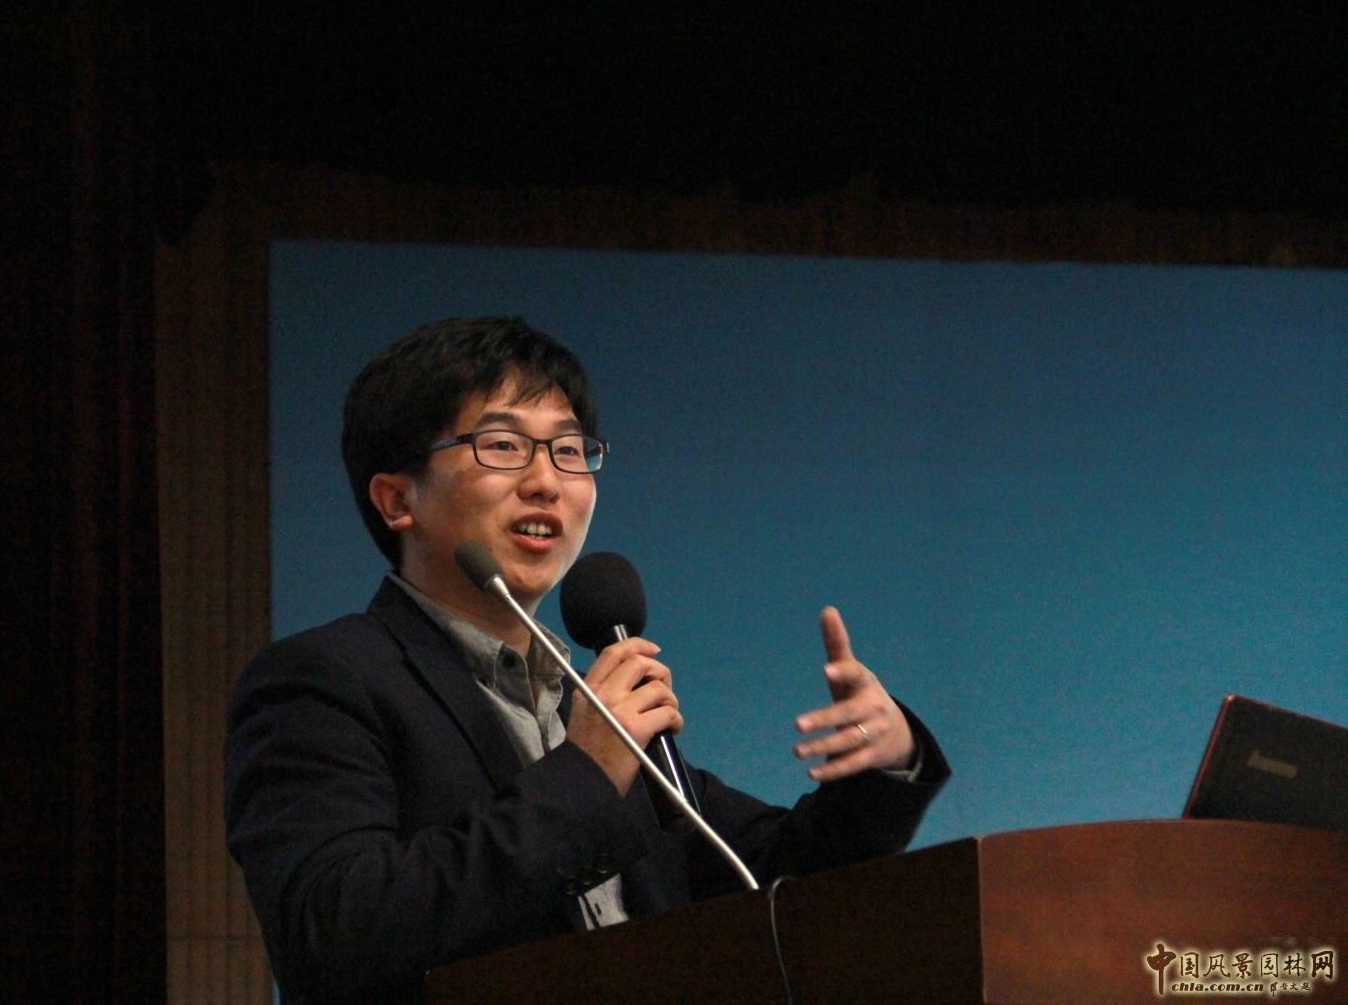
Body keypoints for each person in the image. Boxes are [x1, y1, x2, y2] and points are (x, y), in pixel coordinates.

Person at [225, 316, 950, 1003]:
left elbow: (770, 878)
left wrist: (887, 762)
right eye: (502, 445)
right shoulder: (322, 681)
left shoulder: (586, 703)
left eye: (569, 451)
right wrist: (586, 777)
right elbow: (333, 932)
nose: (547, 480)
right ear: (396, 499)